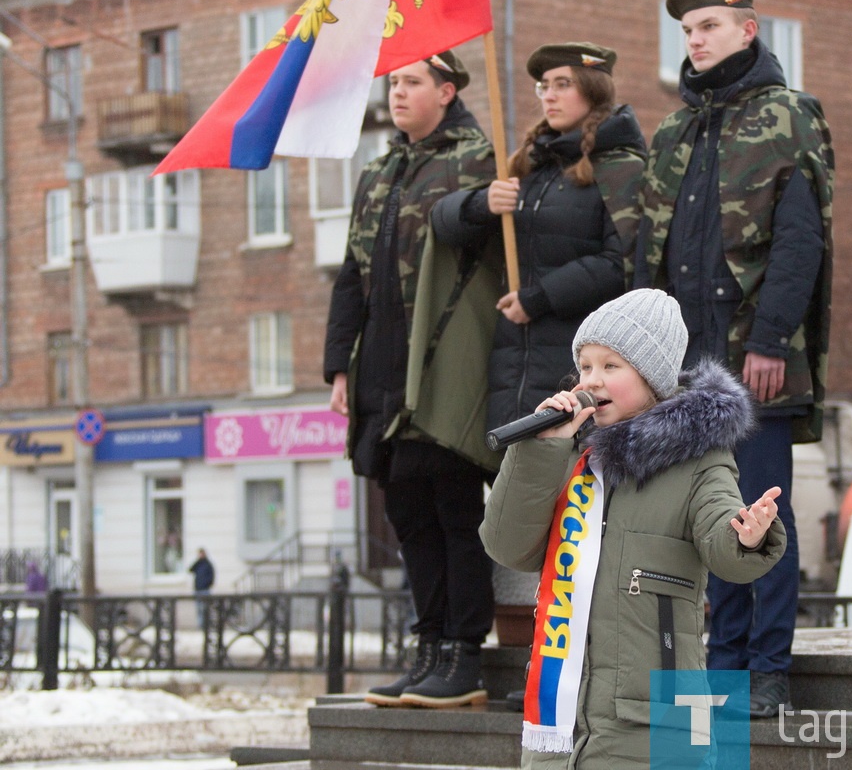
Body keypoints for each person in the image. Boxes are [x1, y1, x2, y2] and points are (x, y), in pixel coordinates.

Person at [636, 0, 834, 718]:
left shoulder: (789, 116)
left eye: (710, 25)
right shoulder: (674, 132)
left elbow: (800, 239)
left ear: (749, 31)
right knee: (705, 515)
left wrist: (774, 337)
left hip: (755, 351)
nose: (696, 39)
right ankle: (720, 665)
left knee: (761, 507)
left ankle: (768, 667)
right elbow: (645, 256)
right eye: (688, 29)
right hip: (687, 361)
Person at [480, 288, 787, 767]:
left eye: (611, 366)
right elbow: (506, 545)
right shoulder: (570, 457)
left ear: (653, 378)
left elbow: (722, 537)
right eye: (584, 366)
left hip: (665, 721)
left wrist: (748, 535)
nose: (591, 380)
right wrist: (539, 450)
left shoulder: (701, 456)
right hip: (560, 724)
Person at [323, 51, 501, 708]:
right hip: (380, 370)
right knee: (408, 519)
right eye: (393, 82)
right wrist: (339, 362)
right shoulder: (378, 171)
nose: (398, 92)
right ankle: (426, 646)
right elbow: (351, 273)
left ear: (447, 90)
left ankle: (463, 650)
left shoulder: (480, 158)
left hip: (442, 368)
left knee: (454, 510)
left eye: (412, 81)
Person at [432, 41, 645, 431]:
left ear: (593, 89)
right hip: (514, 366)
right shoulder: (527, 166)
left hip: (582, 364)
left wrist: (538, 298)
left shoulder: (621, 168)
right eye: (544, 86)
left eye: (562, 84)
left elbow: (621, 263)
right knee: (515, 481)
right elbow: (442, 226)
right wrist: (483, 203)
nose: (549, 95)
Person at [189, 548, 214, 629]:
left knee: (205, 608)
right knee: (198, 608)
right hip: (197, 589)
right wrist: (197, 561)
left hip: (205, 589)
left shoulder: (208, 564)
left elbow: (211, 576)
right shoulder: (198, 564)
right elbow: (190, 570)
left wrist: (207, 584)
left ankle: (205, 624)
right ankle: (200, 625)